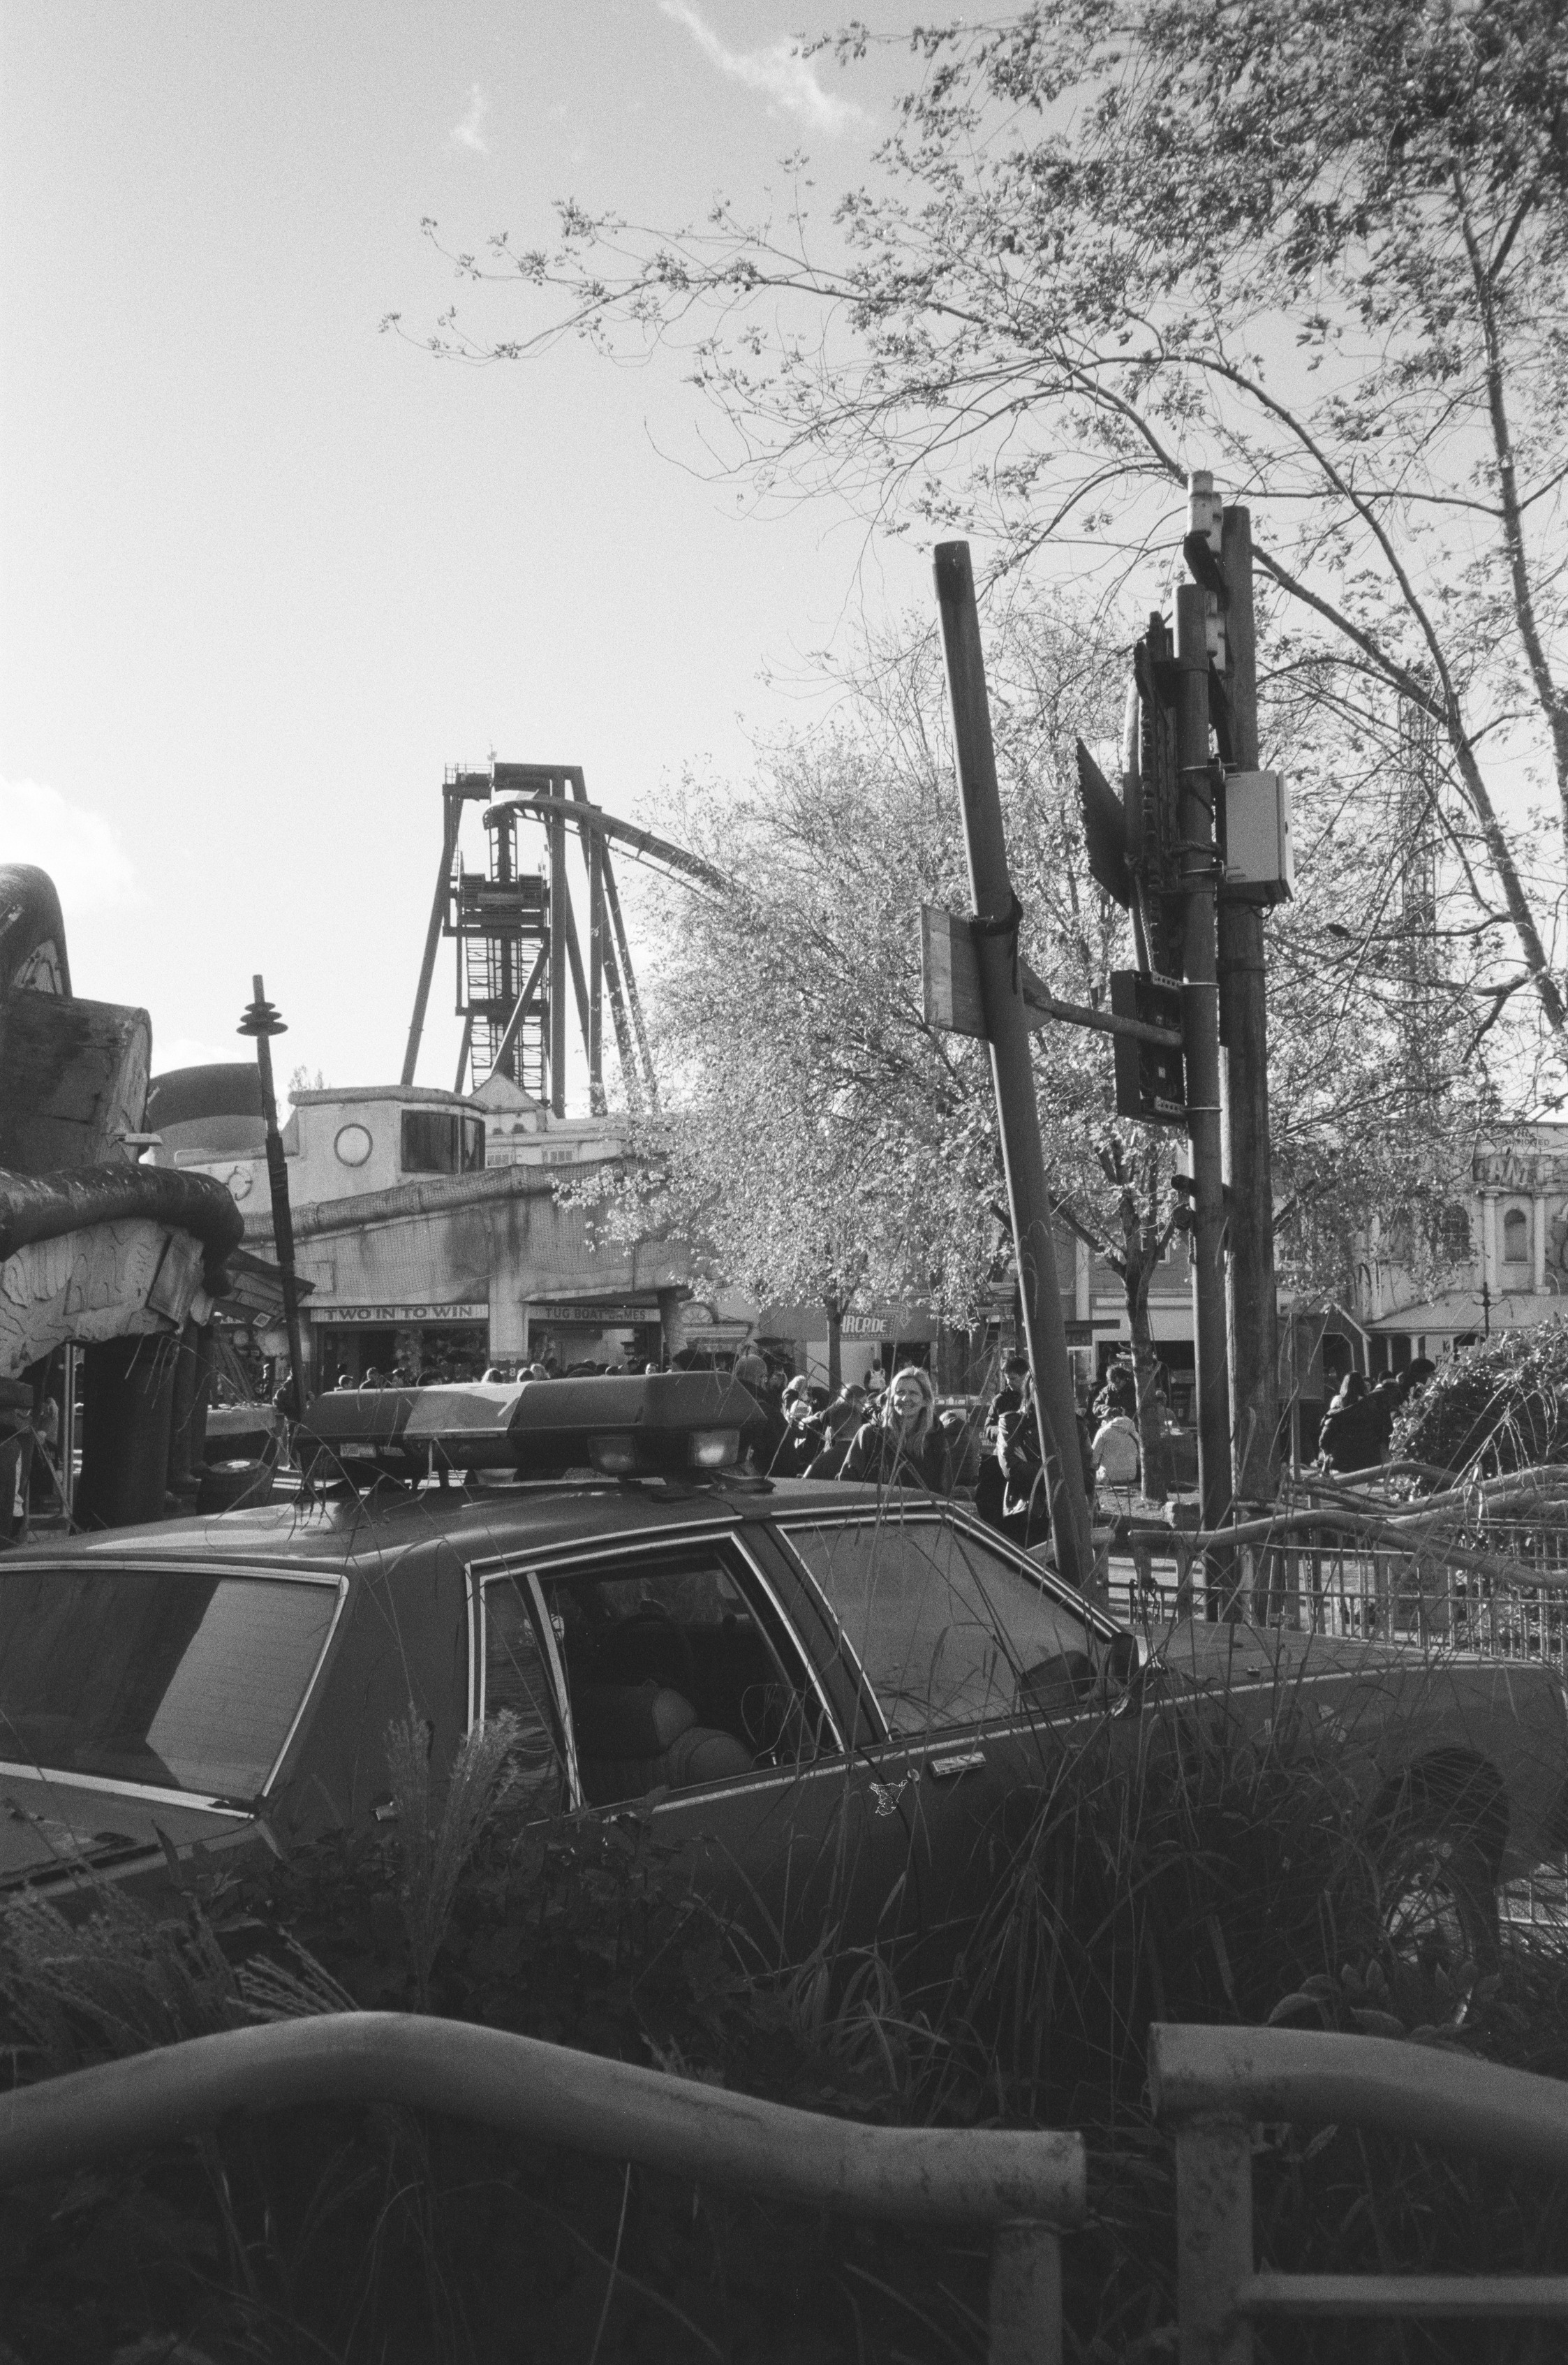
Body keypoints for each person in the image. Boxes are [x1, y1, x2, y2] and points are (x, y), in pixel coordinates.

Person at [830, 1365, 953, 1494]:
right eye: (900, 1392)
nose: (905, 1398)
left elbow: (945, 1494)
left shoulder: (936, 1441)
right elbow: (847, 1483)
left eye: (913, 1393)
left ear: (925, 1401)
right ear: (892, 1398)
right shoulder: (870, 1435)